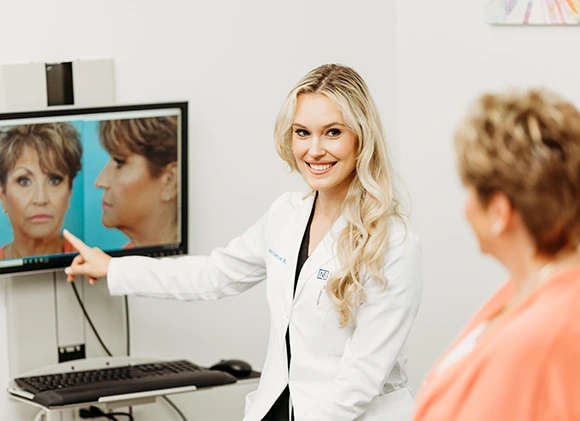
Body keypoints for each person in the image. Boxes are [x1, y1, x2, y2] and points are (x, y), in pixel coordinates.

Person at [64, 63, 423, 421]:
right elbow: (213, 274)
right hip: (281, 405)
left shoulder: (394, 243)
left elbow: (360, 379)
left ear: (361, 138)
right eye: (302, 133)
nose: (314, 150)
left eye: (332, 132)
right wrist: (114, 268)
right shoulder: (286, 214)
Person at [413, 89, 580, 421]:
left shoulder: (543, 337)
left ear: (500, 212)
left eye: (471, 191)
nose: (465, 207)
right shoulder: (532, 287)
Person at [0, 123, 82, 259]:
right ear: (2, 194)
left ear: (70, 190)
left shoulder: (91, 265)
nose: (41, 199)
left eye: (54, 180)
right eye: (24, 181)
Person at [96, 116, 179, 248]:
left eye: (119, 163)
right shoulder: (125, 259)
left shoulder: (192, 266)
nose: (99, 182)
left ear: (170, 180)